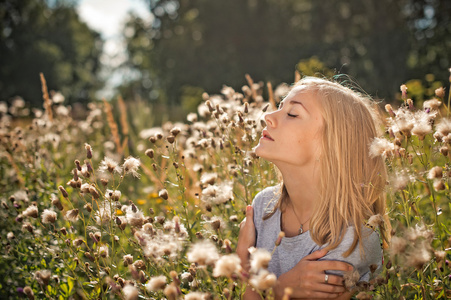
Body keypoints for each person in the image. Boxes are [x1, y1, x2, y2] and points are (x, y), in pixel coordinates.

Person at [237, 77, 388, 299]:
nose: (268, 116)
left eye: (292, 114)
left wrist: (254, 278)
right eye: (280, 107)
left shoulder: (353, 240)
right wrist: (245, 263)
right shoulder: (264, 206)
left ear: (331, 145)